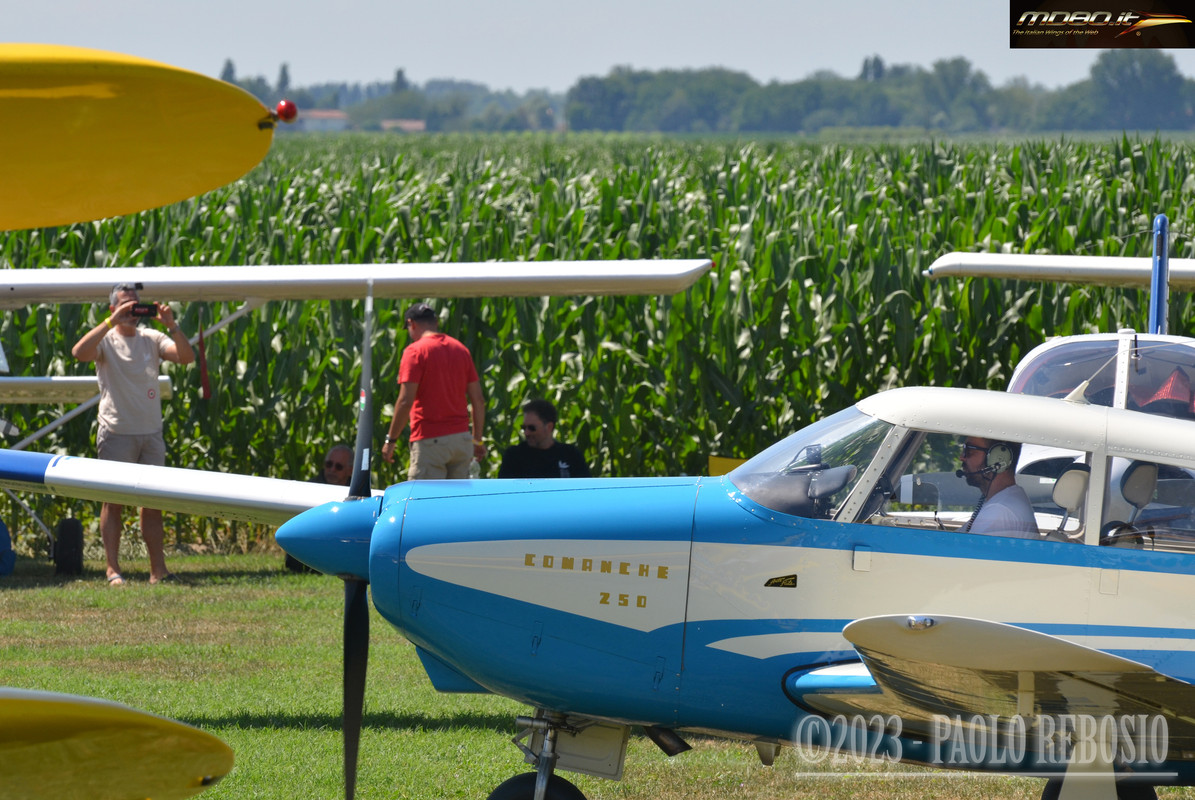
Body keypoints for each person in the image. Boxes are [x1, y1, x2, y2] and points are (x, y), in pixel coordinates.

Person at [72, 283, 195, 585]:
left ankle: (158, 571)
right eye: (126, 305)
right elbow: (79, 353)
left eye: (136, 305)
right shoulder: (106, 340)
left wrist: (172, 325)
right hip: (116, 432)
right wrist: (110, 322)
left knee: (153, 502)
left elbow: (185, 357)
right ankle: (112, 569)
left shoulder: (151, 338)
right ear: (113, 308)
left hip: (150, 433)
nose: (132, 311)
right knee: (112, 502)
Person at [381, 303, 486, 479]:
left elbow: (405, 401)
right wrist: (477, 440)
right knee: (457, 497)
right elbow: (478, 400)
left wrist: (391, 440)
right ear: (436, 322)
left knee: (424, 496)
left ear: (411, 324)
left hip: (430, 441)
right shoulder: (461, 350)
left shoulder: (415, 351)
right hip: (462, 441)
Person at [957, 437, 1039, 538]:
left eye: (969, 451)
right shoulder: (1004, 499)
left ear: (999, 459)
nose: (961, 457)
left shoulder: (999, 510)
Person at [499, 399, 592, 479]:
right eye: (524, 428)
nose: (526, 433)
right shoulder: (514, 457)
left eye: (532, 428)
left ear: (549, 427)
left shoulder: (571, 456)